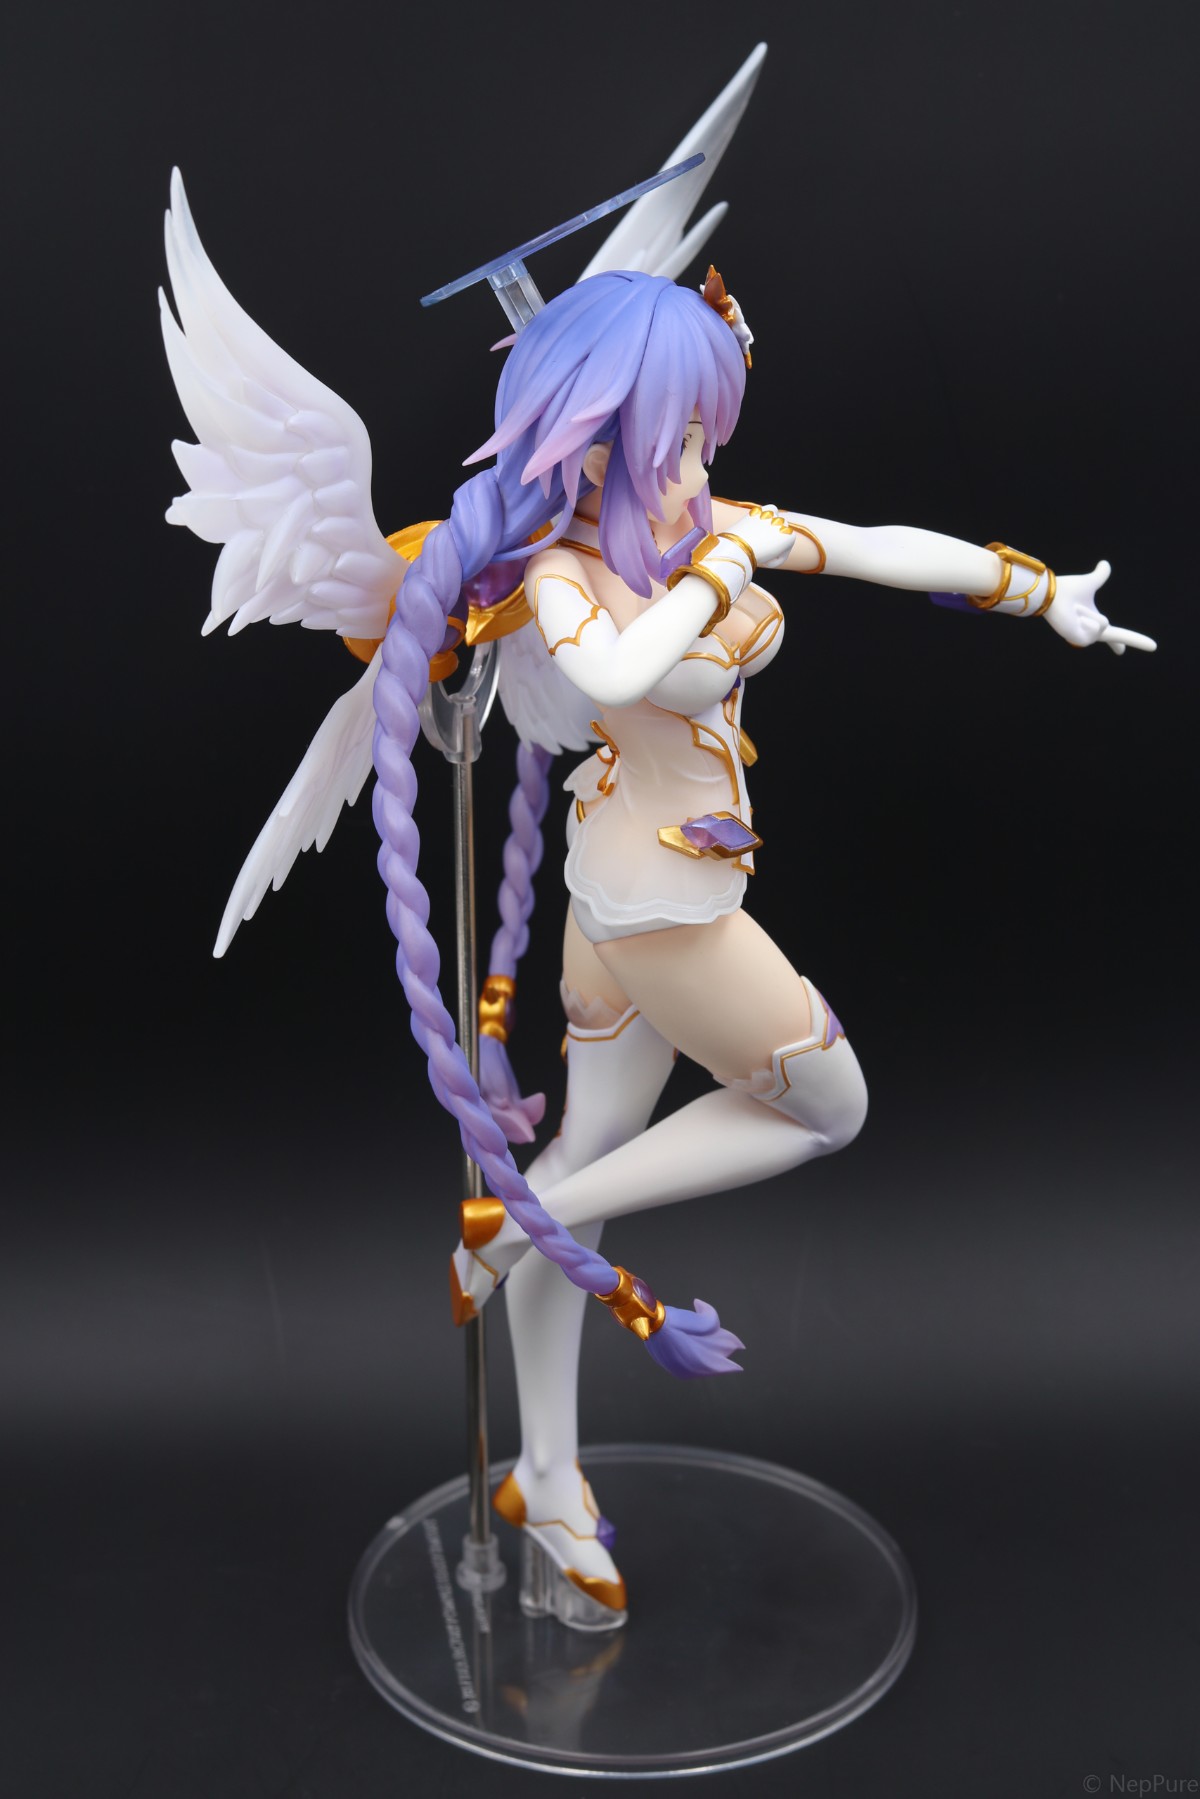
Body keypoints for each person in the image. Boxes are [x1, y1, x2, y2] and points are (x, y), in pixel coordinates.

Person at [366, 268, 1155, 1616]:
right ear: (593, 443)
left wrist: (1035, 591)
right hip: (665, 911)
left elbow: (870, 543)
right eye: (671, 440)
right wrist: (721, 566)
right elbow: (616, 675)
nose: (695, 467)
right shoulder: (563, 574)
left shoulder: (701, 523)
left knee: (590, 1150)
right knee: (829, 1107)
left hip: (617, 893)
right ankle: (534, 1226)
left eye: (701, 437)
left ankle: (545, 1466)